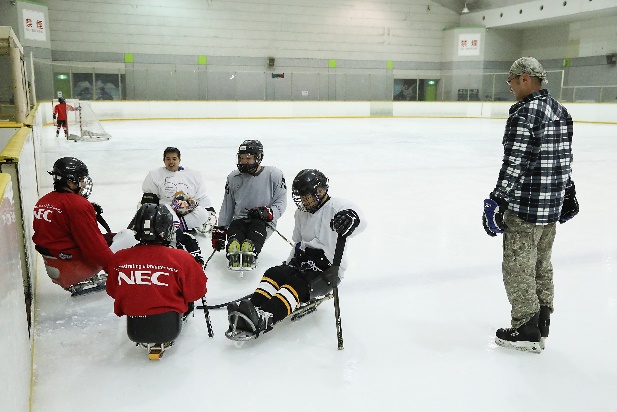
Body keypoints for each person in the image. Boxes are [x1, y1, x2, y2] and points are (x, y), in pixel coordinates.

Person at [482, 57, 578, 353]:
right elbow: (564, 158)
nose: (509, 87)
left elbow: (515, 162)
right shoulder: (560, 110)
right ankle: (542, 321)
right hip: (551, 206)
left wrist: (497, 199)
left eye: (511, 81)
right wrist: (568, 191)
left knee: (518, 266)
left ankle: (526, 329)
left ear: (524, 78)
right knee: (541, 263)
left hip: (525, 207)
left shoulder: (525, 114)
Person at [226, 169, 366, 339]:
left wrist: (351, 218)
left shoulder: (337, 207)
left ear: (320, 191)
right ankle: (251, 310)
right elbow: (298, 243)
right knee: (274, 273)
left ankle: (266, 318)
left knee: (295, 284)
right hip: (302, 263)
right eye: (300, 196)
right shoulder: (301, 213)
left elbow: (359, 218)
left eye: (306, 195)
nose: (303, 200)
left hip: (327, 271)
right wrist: (288, 264)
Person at [106, 204, 207, 347]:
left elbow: (112, 290)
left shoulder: (119, 258)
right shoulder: (182, 259)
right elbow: (196, 293)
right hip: (169, 328)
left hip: (135, 330)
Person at [32, 157, 116, 293]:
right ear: (71, 180)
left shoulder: (44, 200)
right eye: (81, 179)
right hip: (71, 266)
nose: (83, 184)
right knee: (125, 238)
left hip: (55, 261)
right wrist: (115, 269)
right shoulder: (77, 205)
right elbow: (94, 247)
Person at [211, 140, 287, 269]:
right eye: (241, 158)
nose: (244, 162)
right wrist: (222, 228)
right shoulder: (233, 177)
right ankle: (233, 252)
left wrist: (270, 212)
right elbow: (227, 206)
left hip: (264, 221)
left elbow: (281, 201)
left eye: (248, 158)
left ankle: (251, 252)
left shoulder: (274, 175)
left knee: (256, 229)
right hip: (240, 219)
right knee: (235, 230)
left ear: (259, 158)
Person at [142, 147, 216, 234]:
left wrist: (210, 210)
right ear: (163, 160)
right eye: (168, 159)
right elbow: (150, 199)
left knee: (202, 213)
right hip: (166, 212)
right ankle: (174, 228)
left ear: (179, 160)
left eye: (174, 159)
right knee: (163, 209)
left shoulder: (193, 175)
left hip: (187, 212)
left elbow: (201, 197)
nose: (171, 162)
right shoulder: (155, 175)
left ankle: (174, 228)